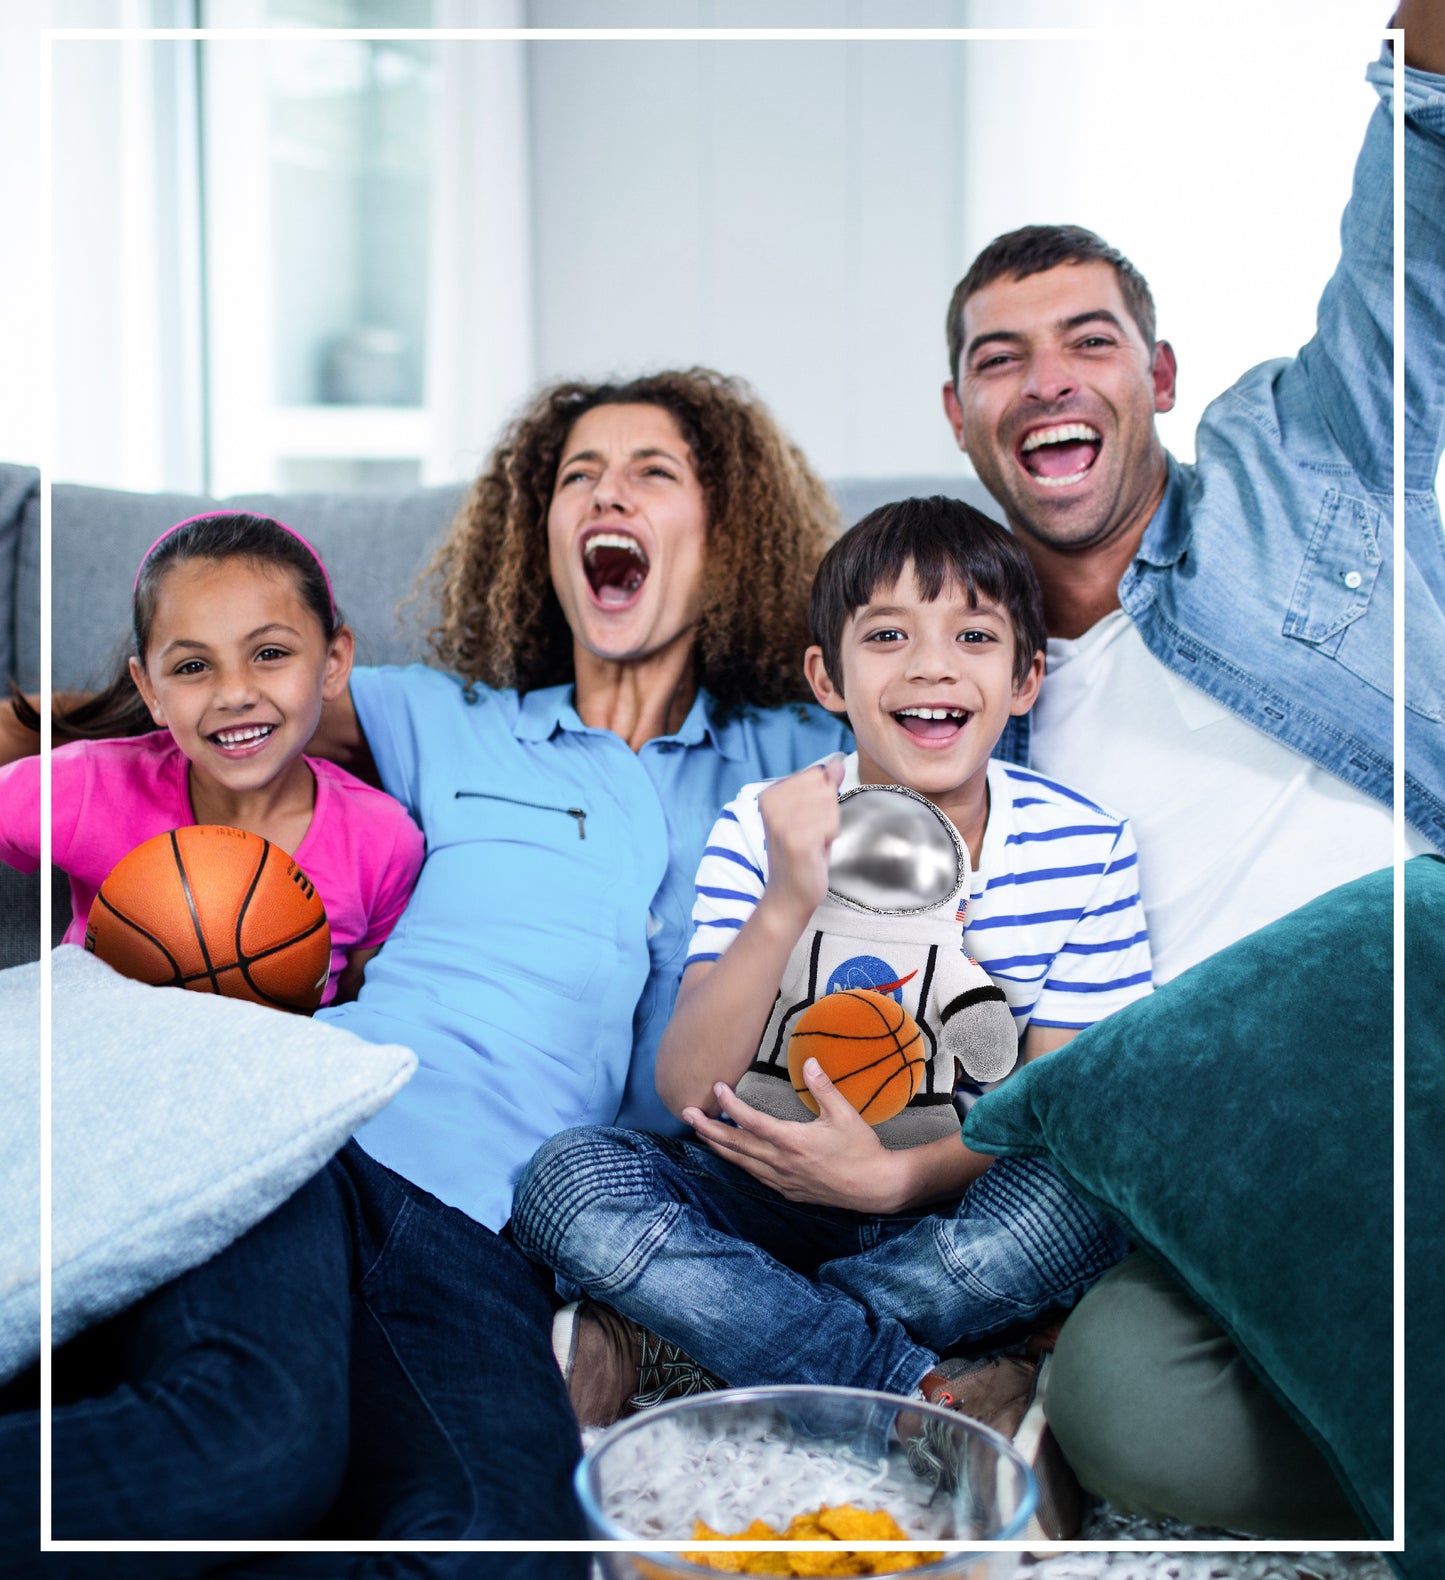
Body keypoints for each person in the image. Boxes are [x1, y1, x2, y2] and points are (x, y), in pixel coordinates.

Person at [662, 11, 1445, 1544]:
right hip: (1171, 1159)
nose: (1046, 382)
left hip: (1400, 1033)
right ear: (957, 417)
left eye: (1089, 342)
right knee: (1131, 1416)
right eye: (996, 360)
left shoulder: (1305, 483)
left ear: (1155, 374)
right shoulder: (949, 703)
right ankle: (917, 1359)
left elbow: (1409, 249)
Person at [0, 368, 852, 1577]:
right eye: (577, 478)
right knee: (246, 1447)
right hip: (311, 1140)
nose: (607, 492)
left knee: (508, 1552)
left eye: (652, 472)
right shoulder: (442, 716)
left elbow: (963, 693)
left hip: (488, 1247)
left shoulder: (799, 756)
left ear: (726, 532)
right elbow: (231, 687)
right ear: (541, 531)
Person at [512, 497, 1153, 1473]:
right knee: (564, 1182)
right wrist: (785, 898)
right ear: (828, 675)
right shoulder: (764, 822)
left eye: (972, 636)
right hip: (759, 1191)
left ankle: (695, 1338)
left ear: (1025, 679)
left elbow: (1060, 1105)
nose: (931, 664)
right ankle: (906, 1382)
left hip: (951, 1202)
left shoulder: (1084, 845)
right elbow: (689, 1086)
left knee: (1094, 1198)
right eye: (887, 634)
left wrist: (895, 1175)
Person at [0, 512, 424, 1005]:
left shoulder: (384, 839)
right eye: (193, 666)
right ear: (150, 691)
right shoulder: (85, 785)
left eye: (269, 653)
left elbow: (368, 1010)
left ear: (332, 665)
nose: (235, 693)